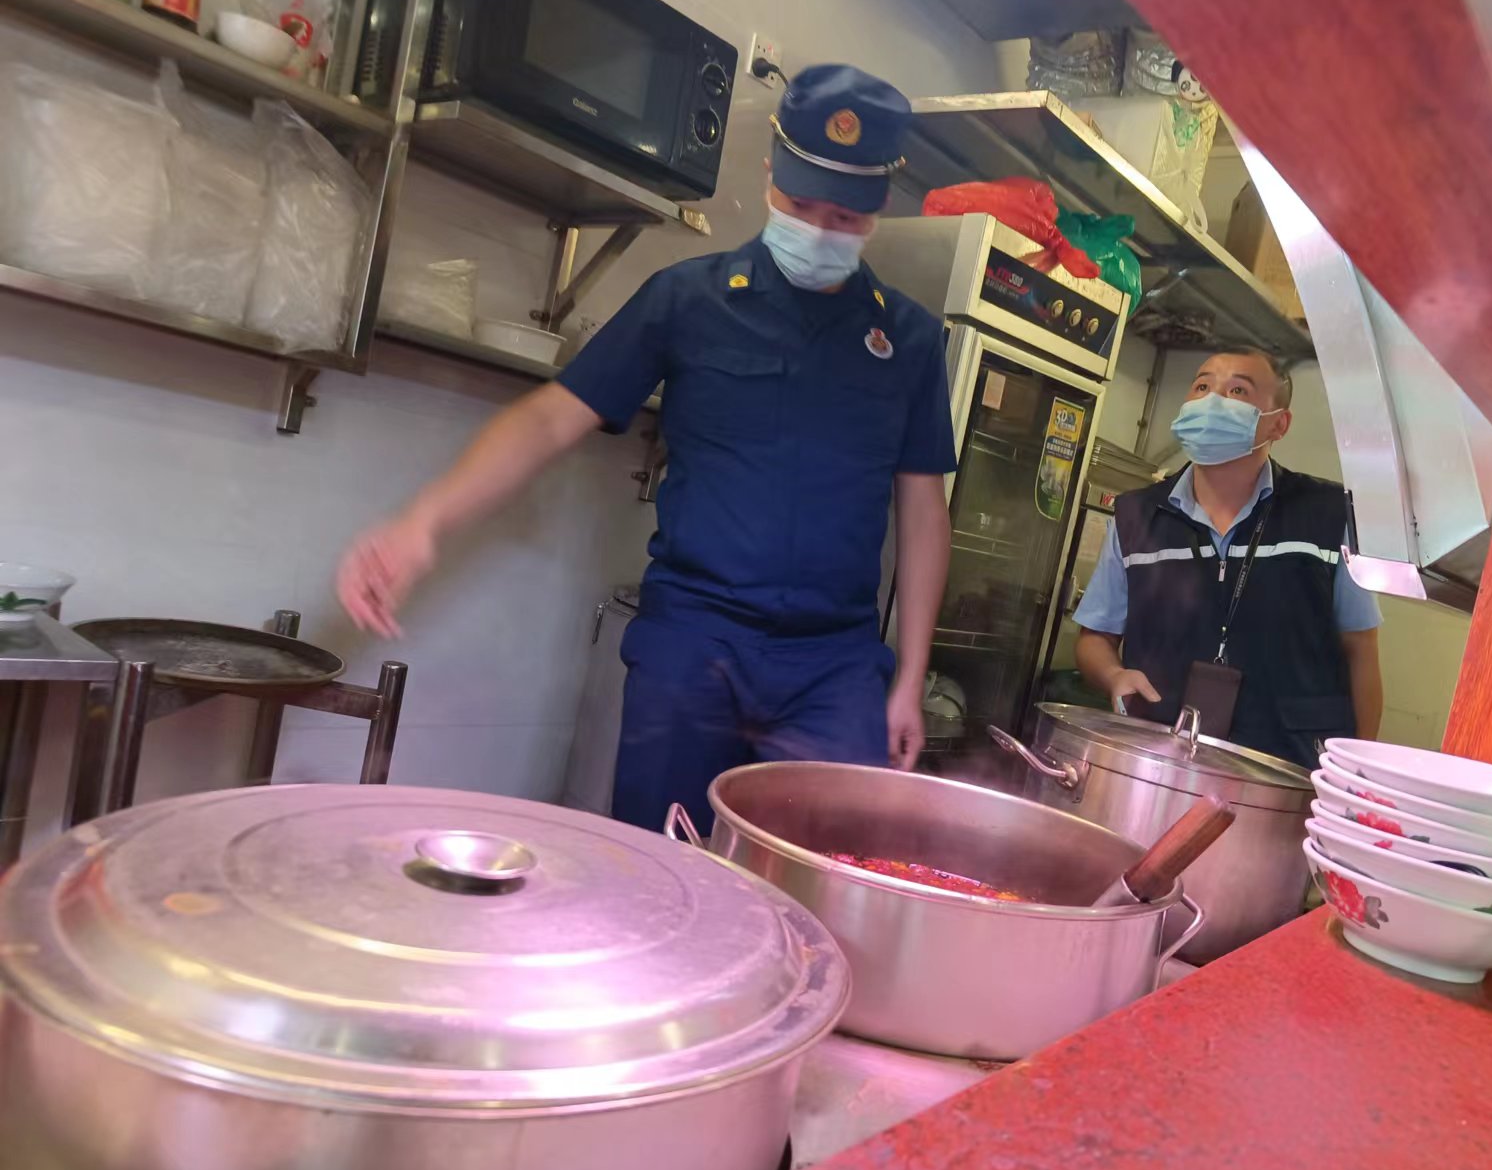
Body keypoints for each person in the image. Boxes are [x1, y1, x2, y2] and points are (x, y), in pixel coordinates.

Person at [337, 64, 955, 835]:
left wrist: (911, 675)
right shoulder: (687, 299)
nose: (820, 230)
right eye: (802, 205)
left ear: (880, 207)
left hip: (835, 667)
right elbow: (548, 420)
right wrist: (424, 521)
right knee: (663, 862)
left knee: (819, 873)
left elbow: (923, 511)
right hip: (695, 640)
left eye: (845, 216)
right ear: (772, 173)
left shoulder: (910, 340)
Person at [1072, 348, 1382, 768]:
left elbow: (1361, 652)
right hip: (1161, 762)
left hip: (1288, 770)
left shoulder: (1328, 515)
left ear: (1279, 423)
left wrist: (1354, 774)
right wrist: (1113, 676)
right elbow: (1095, 638)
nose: (1212, 400)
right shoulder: (1136, 516)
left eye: (1237, 390)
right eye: (1202, 386)